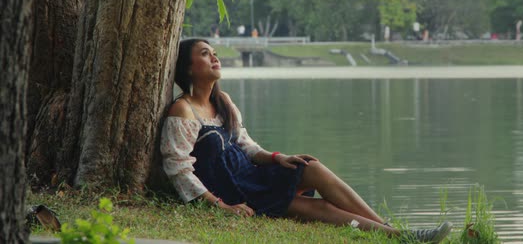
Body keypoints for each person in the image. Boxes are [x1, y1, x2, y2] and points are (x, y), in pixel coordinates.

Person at [160, 38, 452, 243]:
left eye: (214, 52)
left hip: (253, 176)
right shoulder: (183, 110)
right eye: (204, 53)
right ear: (187, 68)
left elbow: (246, 145)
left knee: (311, 166)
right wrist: (221, 206)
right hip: (237, 192)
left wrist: (278, 158)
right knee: (322, 211)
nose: (214, 57)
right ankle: (403, 238)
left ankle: (389, 229)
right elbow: (179, 169)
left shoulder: (222, 101)